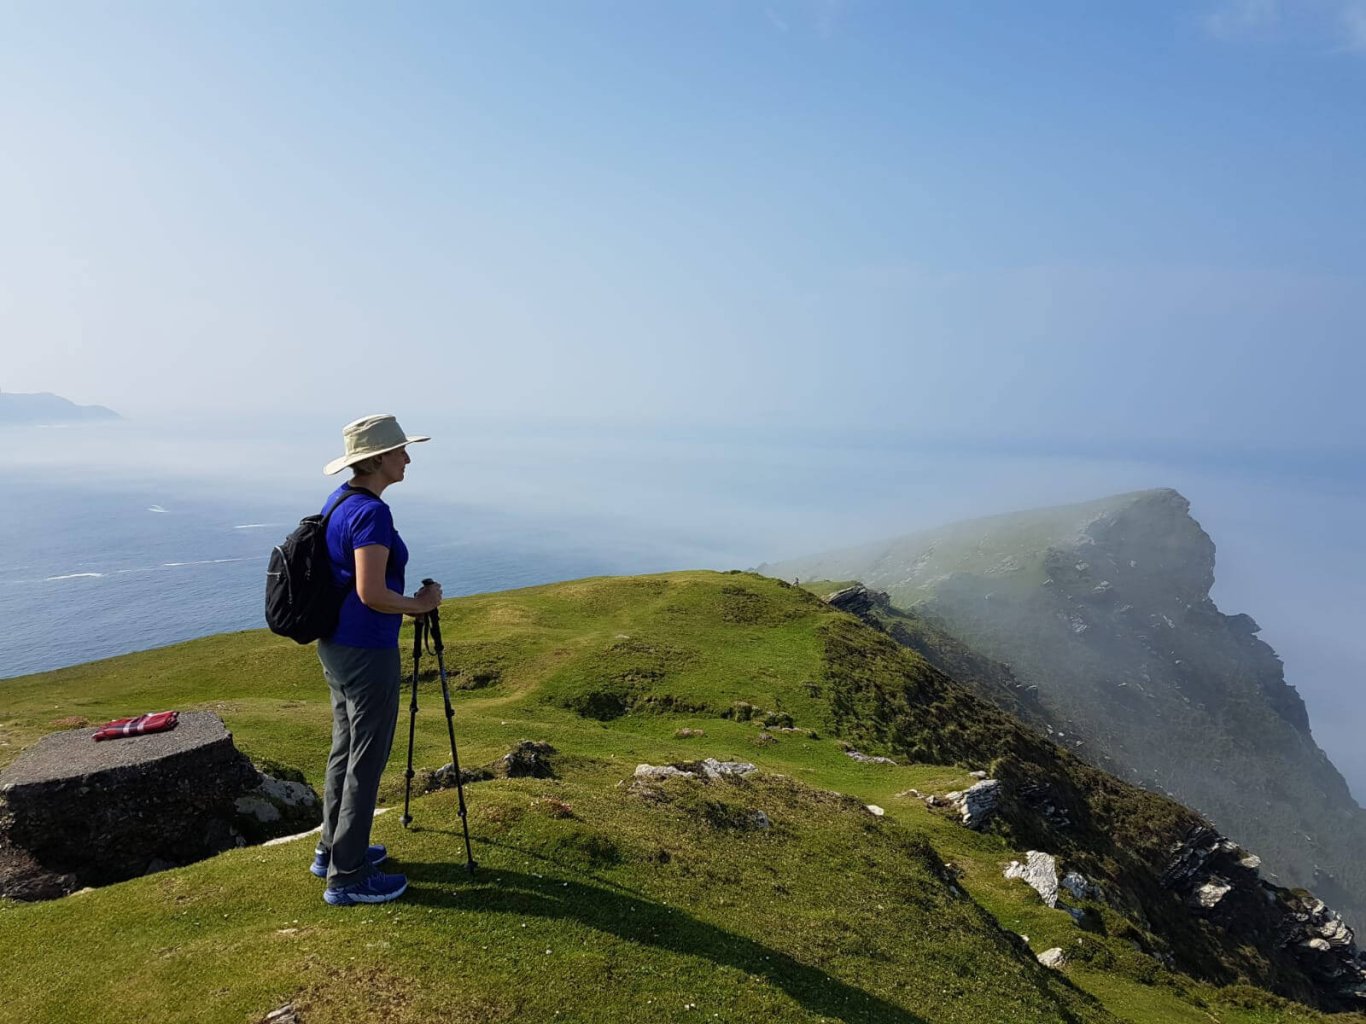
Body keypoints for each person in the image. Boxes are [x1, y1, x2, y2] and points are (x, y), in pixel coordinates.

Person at [311, 413, 443, 906]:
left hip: (337, 644)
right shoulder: (372, 514)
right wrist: (420, 605)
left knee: (345, 748)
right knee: (366, 759)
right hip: (366, 647)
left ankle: (332, 849)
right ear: (378, 459)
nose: (407, 458)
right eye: (400, 451)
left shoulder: (339, 502)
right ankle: (347, 876)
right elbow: (372, 593)